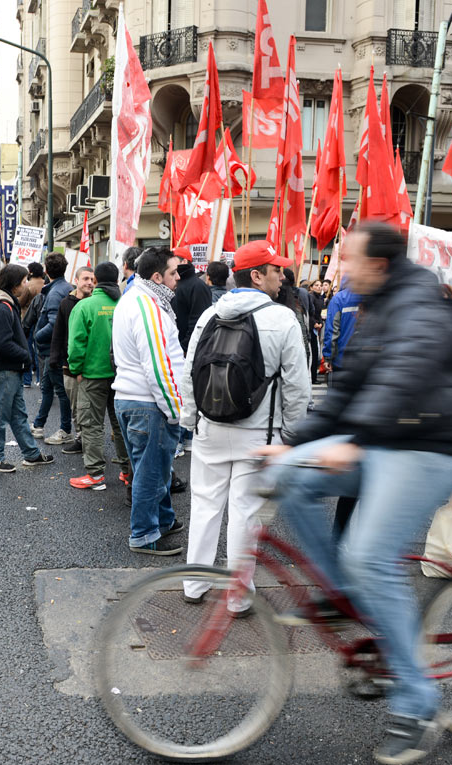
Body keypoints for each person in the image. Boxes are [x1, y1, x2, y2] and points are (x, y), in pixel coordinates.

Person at [258, 222, 452, 765]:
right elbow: (348, 389)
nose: (338, 270)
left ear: (378, 265)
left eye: (347, 260)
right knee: (293, 478)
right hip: (388, 437)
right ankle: (344, 594)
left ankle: (418, 698)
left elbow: (402, 381)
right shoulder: (374, 305)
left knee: (370, 555)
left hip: (432, 444)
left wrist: (352, 441)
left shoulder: (419, 304)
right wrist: (291, 442)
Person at [178, 240, 311, 610]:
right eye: (275, 270)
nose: (283, 276)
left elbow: (189, 373)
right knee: (245, 513)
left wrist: (190, 420)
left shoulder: (210, 315)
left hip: (210, 428)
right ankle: (238, 598)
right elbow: (297, 386)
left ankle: (193, 584)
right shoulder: (283, 319)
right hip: (258, 432)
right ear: (256, 275)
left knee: (204, 506)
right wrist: (292, 434)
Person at [112, 247, 187, 555]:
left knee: (153, 468)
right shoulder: (146, 304)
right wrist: (173, 409)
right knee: (151, 471)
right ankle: (144, 533)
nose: (178, 276)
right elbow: (157, 363)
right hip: (147, 403)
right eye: (173, 272)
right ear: (157, 276)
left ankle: (163, 521)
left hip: (138, 400)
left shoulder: (141, 299)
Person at [0, 263, 55, 472]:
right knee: (0, 414)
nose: (26, 284)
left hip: (10, 368)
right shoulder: (1, 306)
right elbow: (3, 343)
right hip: (5, 368)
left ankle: (31, 454)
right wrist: (26, 355)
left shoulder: (3, 302)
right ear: (14, 285)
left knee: (17, 414)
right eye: (23, 281)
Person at [67, 261, 132, 490]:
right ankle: (128, 472)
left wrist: (76, 370)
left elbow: (75, 345)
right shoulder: (125, 305)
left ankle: (95, 475)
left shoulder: (85, 306)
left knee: (92, 425)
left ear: (95, 281)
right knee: (121, 426)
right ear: (116, 280)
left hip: (92, 375)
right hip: (122, 377)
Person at [51, 264, 95, 455]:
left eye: (93, 280)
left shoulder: (96, 303)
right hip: (70, 366)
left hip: (94, 366)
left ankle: (91, 442)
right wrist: (56, 358)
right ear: (76, 281)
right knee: (76, 405)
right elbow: (58, 333)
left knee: (92, 408)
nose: (90, 283)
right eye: (85, 279)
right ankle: (80, 439)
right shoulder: (65, 303)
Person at [31, 253, 74, 443]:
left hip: (53, 350)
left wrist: (37, 336)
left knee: (60, 391)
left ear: (46, 271)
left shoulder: (56, 292)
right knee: (48, 387)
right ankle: (38, 425)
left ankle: (65, 429)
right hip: (54, 349)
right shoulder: (65, 287)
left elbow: (54, 322)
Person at [169, 246, 213, 355]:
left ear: (184, 261)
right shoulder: (170, 283)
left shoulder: (198, 286)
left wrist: (184, 347)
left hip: (188, 351)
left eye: (173, 261)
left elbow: (198, 321)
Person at [323, 280, 362, 373]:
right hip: (369, 359)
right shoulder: (375, 297)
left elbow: (332, 331)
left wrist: (328, 356)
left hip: (342, 358)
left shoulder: (338, 299)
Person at [21, 263, 46, 388]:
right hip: (43, 321)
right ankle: (40, 379)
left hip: (29, 320)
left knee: (28, 349)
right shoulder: (46, 284)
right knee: (39, 351)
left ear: (30, 272)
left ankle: (27, 380)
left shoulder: (28, 286)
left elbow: (21, 302)